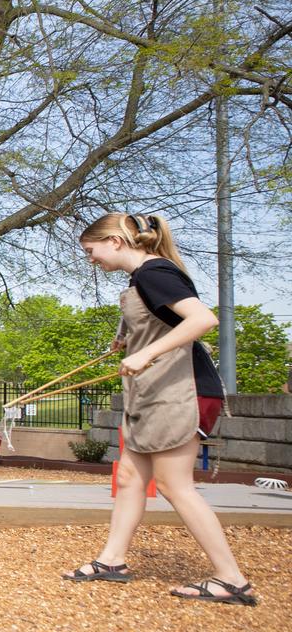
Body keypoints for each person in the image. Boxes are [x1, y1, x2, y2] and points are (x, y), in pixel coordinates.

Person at [67, 213, 256, 605]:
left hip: (182, 390)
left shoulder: (154, 272)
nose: (92, 260)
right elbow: (163, 318)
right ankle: (112, 561)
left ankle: (232, 579)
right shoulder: (142, 279)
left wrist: (147, 351)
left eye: (92, 251)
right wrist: (127, 338)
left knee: (174, 485)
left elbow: (203, 319)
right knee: (130, 478)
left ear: (115, 242)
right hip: (154, 392)